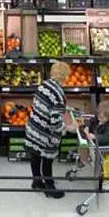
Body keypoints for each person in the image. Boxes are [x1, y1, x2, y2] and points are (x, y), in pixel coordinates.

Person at [25, 62, 74, 199]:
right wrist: (69, 128)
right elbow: (55, 122)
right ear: (65, 76)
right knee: (47, 160)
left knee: (35, 156)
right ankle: (50, 187)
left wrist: (64, 109)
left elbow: (46, 106)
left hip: (34, 128)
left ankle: (37, 182)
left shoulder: (44, 85)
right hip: (46, 135)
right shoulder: (59, 94)